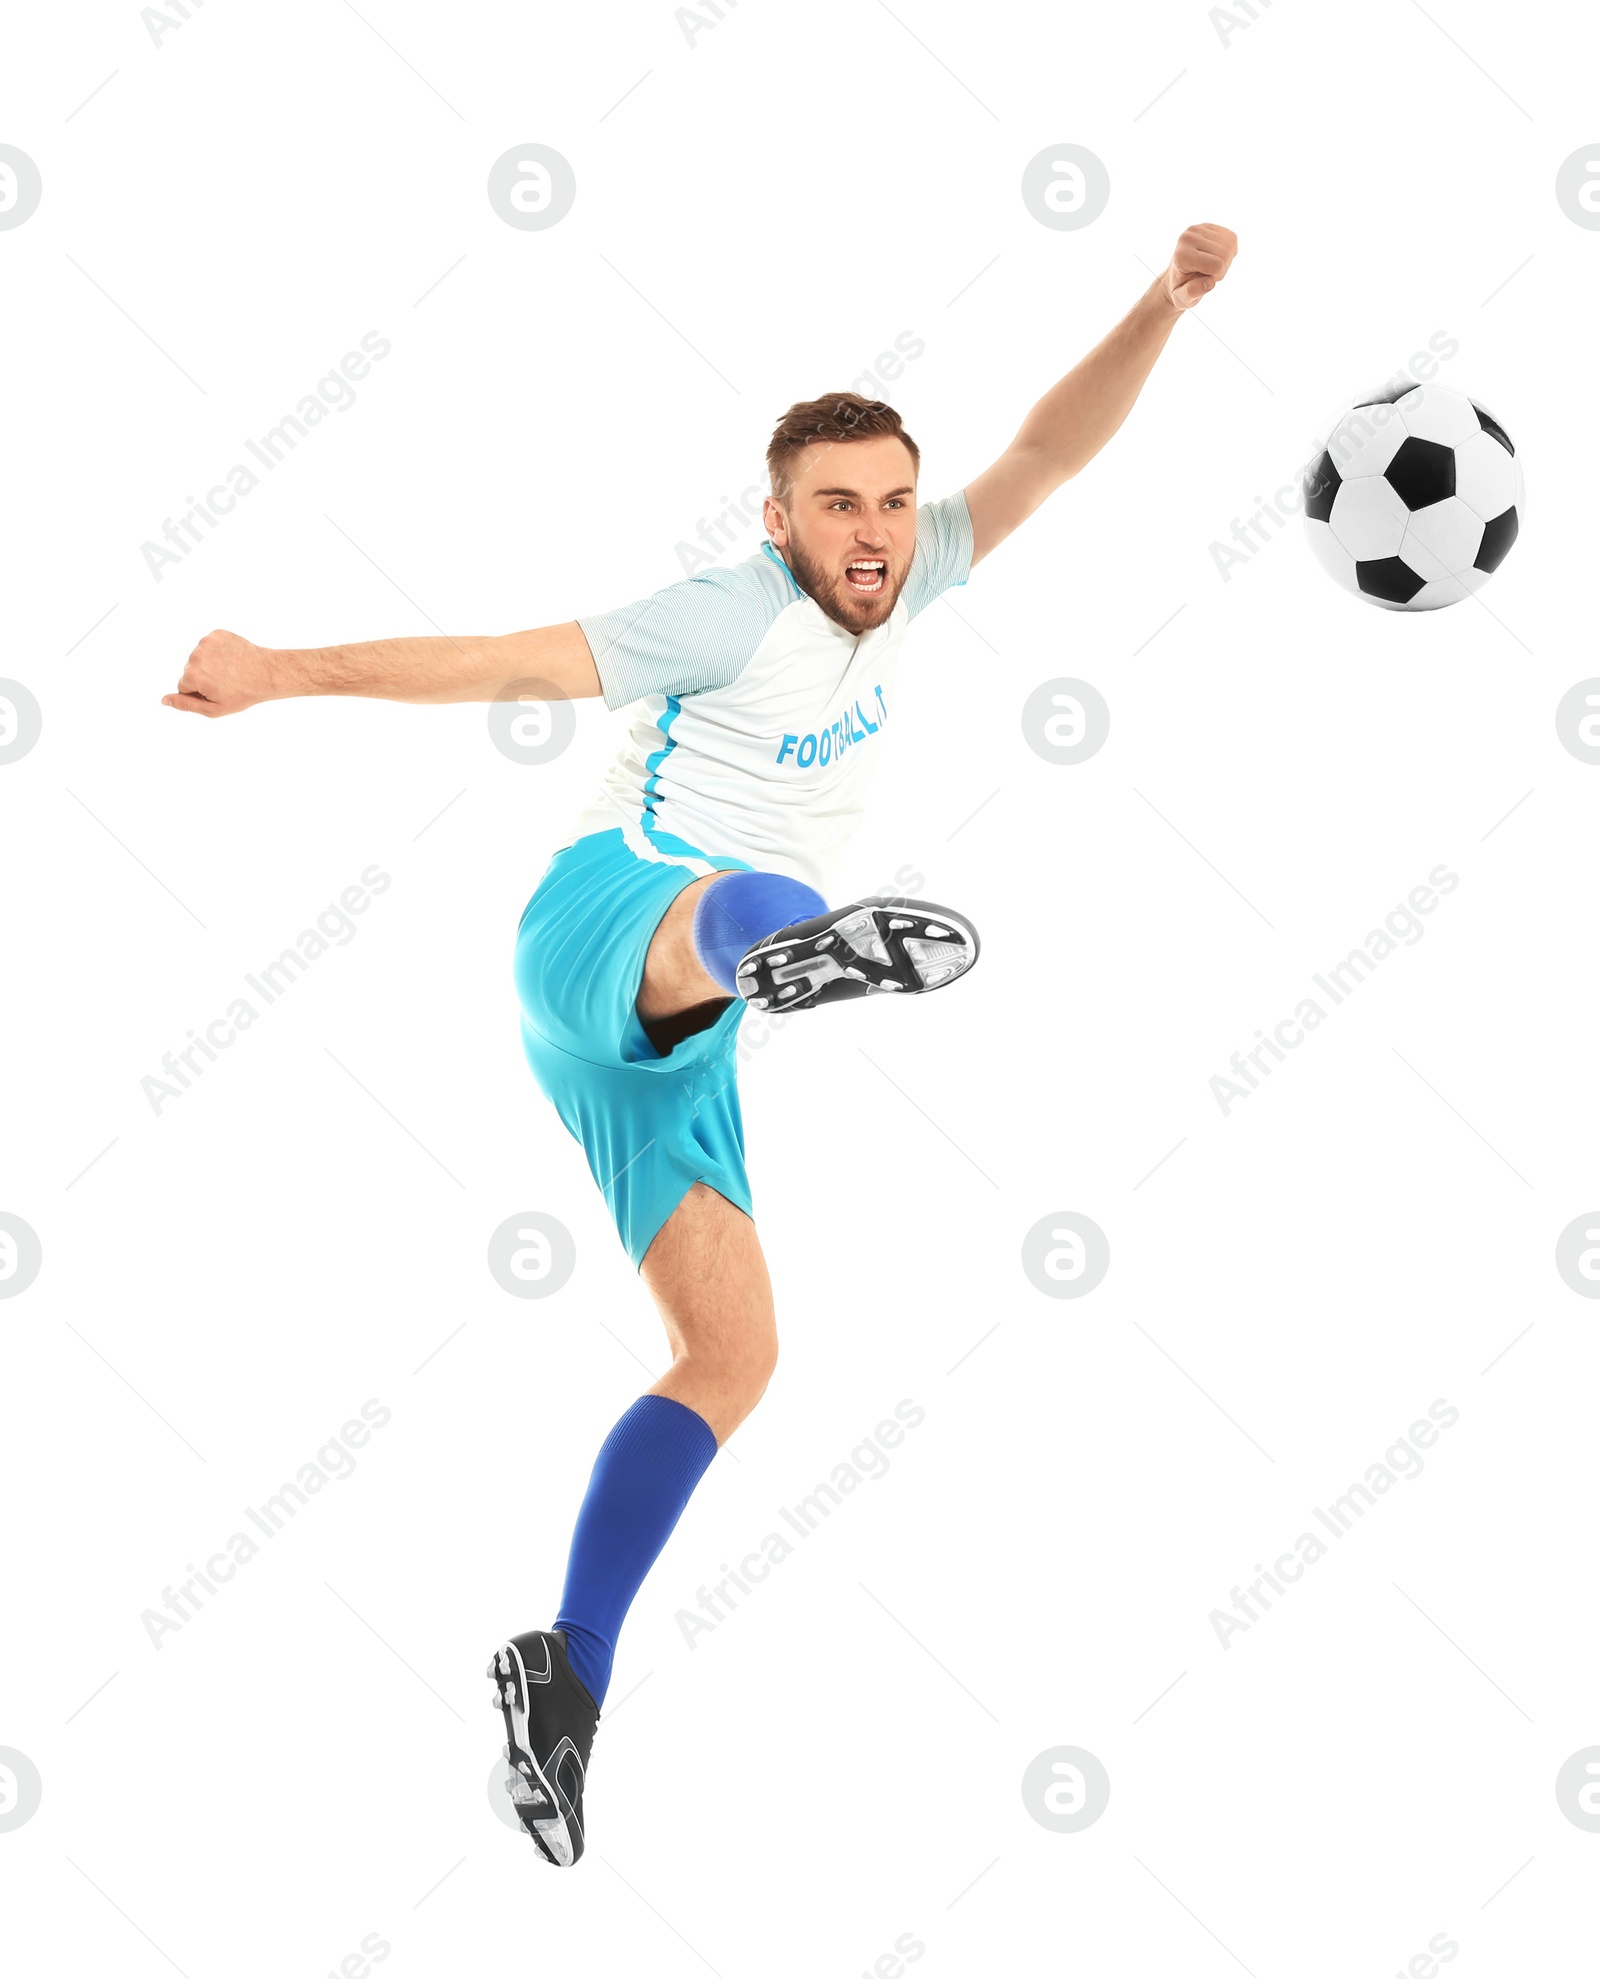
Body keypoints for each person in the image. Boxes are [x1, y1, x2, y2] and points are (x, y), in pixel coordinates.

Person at [164, 222, 1238, 1865]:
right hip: (611, 922)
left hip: (664, 1041)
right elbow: (507, 661)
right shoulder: (725, 614)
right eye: (836, 507)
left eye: (889, 501)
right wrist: (274, 673)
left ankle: (567, 1670)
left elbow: (1046, 455)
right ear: (777, 519)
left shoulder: (920, 568)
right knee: (759, 891)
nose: (872, 534)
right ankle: (794, 945)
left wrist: (1157, 307)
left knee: (736, 1356)